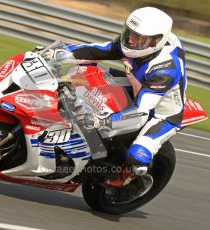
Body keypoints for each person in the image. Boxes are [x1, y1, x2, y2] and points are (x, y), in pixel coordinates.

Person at [65, 7, 187, 187]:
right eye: (129, 33)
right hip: (137, 83)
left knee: (138, 154)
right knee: (84, 72)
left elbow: (141, 113)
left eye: (138, 39)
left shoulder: (165, 70)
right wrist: (60, 53)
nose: (130, 40)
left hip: (160, 113)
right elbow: (98, 50)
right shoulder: (138, 42)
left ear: (156, 41)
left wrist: (102, 122)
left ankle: (136, 182)